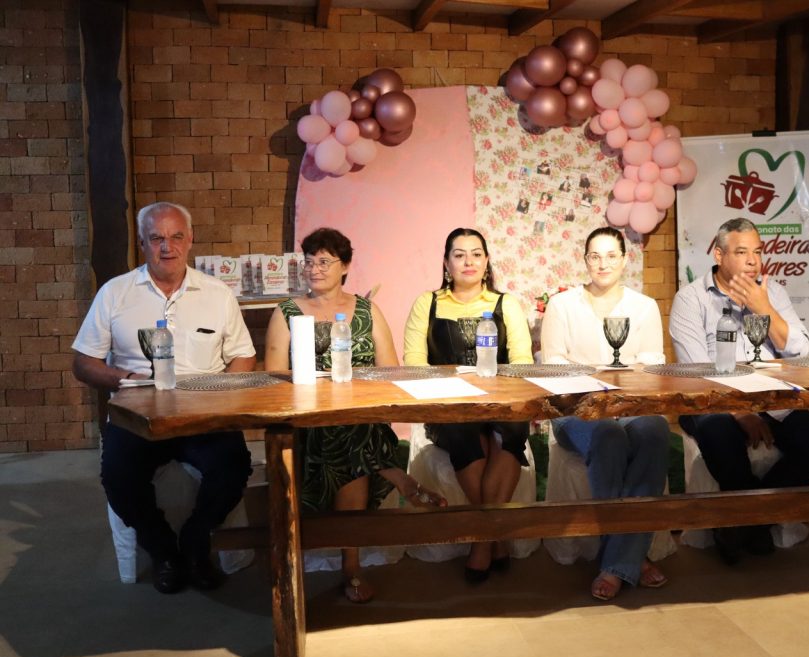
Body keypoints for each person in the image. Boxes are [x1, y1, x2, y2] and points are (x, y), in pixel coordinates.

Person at [72, 201, 256, 594]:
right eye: (156, 238)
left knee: (234, 466)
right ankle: (163, 551)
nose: (167, 247)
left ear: (190, 240)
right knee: (117, 477)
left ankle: (195, 541)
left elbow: (243, 354)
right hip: (138, 416)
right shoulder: (115, 293)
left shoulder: (217, 293)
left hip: (203, 415)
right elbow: (83, 362)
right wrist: (121, 377)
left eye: (176, 237)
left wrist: (223, 398)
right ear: (142, 243)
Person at [264, 227, 445, 603]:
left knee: (350, 430)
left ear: (345, 266)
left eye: (325, 261)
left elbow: (390, 371)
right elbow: (275, 376)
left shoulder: (366, 310)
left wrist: (353, 390)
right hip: (307, 419)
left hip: (359, 414)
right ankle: (394, 481)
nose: (315, 269)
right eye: (309, 261)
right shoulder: (287, 313)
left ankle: (353, 561)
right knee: (342, 435)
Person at [670, 217, 809, 565]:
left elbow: (802, 351)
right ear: (718, 254)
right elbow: (696, 373)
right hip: (710, 402)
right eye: (742, 252)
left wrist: (765, 309)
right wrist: (740, 411)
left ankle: (744, 522)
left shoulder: (771, 292)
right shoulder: (690, 299)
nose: (753, 261)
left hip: (772, 400)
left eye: (757, 252)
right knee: (718, 432)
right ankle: (750, 523)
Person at [541, 226, 671, 601]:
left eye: (611, 255)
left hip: (630, 405)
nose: (603, 264)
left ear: (624, 260)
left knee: (655, 430)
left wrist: (605, 376)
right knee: (607, 434)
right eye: (594, 256)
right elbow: (553, 367)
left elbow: (651, 364)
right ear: (584, 261)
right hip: (575, 410)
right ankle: (632, 558)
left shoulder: (643, 307)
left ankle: (618, 559)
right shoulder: (562, 305)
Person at [403, 227, 534, 583]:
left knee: (512, 429)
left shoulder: (505, 303)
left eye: (476, 254)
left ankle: (482, 537)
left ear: (487, 261)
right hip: (449, 403)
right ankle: (495, 535)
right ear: (446, 263)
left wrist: (496, 393)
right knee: (462, 433)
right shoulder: (426, 303)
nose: (468, 261)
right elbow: (414, 363)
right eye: (459, 255)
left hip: (500, 401)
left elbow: (522, 362)